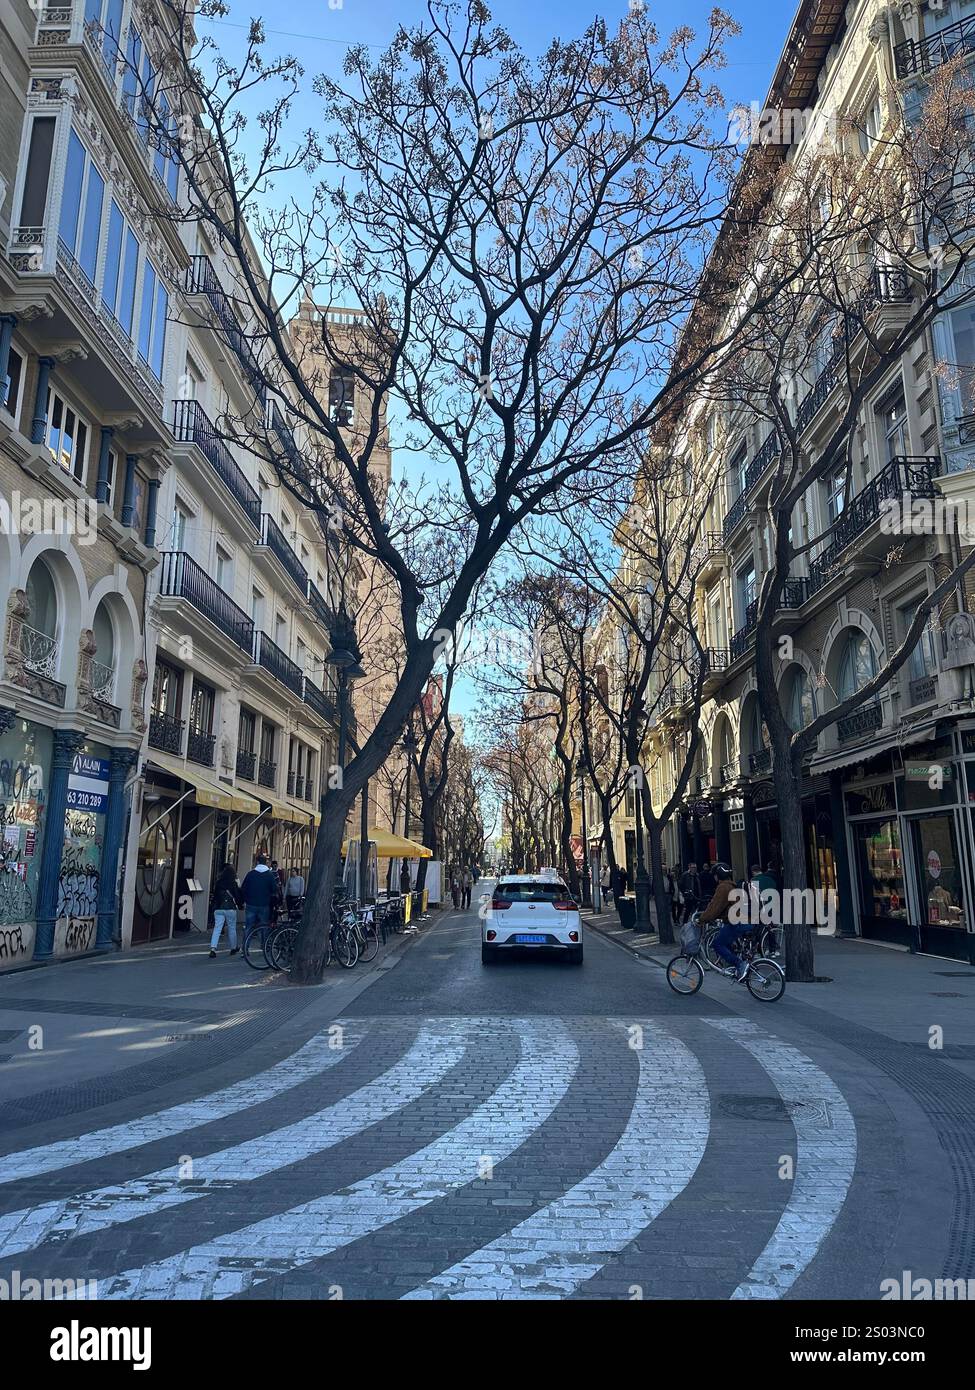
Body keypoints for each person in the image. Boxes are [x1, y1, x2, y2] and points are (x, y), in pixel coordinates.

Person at [703, 863, 753, 982]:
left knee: (717, 944)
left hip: (736, 922)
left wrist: (703, 919)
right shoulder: (731, 885)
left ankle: (739, 964)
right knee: (727, 940)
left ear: (717, 876)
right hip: (743, 920)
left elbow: (715, 906)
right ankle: (736, 965)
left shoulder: (723, 887)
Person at [241, 853, 280, 948]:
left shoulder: (250, 874)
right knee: (264, 926)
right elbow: (275, 889)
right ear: (266, 863)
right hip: (264, 904)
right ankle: (264, 945)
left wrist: (245, 900)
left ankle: (245, 948)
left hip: (251, 904)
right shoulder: (269, 875)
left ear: (257, 862)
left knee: (249, 926)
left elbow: (243, 888)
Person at [209, 861, 243, 958]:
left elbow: (215, 896)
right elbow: (237, 896)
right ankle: (233, 947)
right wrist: (240, 905)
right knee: (232, 928)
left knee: (217, 928)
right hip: (230, 908)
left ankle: (213, 949)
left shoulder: (219, 882)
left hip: (219, 908)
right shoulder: (233, 883)